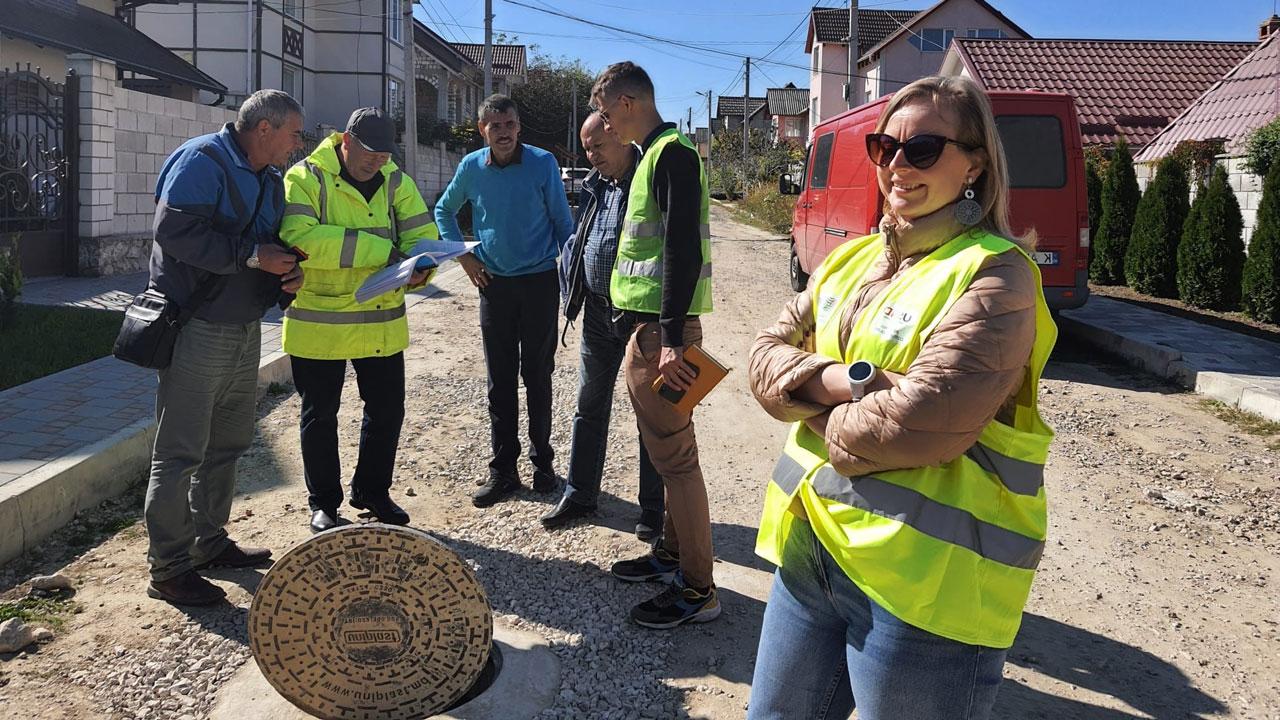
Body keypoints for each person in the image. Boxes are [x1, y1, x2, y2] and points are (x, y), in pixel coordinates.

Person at [745, 75, 1057, 719]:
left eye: (923, 150)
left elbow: (923, 424)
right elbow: (760, 357)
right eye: (885, 147)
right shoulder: (849, 260)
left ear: (974, 163)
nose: (896, 166)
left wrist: (810, 407)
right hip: (814, 548)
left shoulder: (997, 274)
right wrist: (851, 382)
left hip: (927, 586)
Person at [143, 89, 305, 606]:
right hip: (198, 328)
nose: (298, 145)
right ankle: (169, 567)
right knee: (181, 451)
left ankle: (209, 543)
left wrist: (285, 273)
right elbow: (174, 233)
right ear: (265, 130)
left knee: (228, 444)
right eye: (294, 134)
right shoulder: (201, 159)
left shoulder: (269, 177)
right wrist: (253, 258)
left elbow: (265, 244)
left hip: (242, 327)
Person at [589, 62, 719, 629]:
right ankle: (671, 555)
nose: (603, 125)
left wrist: (668, 339)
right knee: (665, 452)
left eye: (605, 112)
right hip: (648, 333)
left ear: (626, 102)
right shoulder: (656, 155)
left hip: (662, 336)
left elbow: (680, 250)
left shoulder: (670, 155)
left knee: (678, 459)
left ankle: (698, 589)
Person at [280, 107, 439, 532]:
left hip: (380, 321)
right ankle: (324, 504)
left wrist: (423, 265)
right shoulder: (305, 178)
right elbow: (301, 239)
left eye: (385, 155)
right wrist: (381, 251)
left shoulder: (395, 181)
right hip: (320, 322)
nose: (377, 162)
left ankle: (372, 491)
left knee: (387, 412)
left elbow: (421, 235)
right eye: (369, 153)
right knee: (320, 415)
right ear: (345, 141)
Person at [434, 94, 574, 507]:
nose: (503, 132)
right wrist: (463, 256)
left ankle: (543, 464)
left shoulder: (542, 163)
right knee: (499, 381)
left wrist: (570, 276)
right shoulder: (471, 167)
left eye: (509, 124)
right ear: (483, 130)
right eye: (494, 126)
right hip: (493, 284)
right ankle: (503, 470)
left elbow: (562, 221)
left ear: (518, 126)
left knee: (538, 375)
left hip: (539, 282)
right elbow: (444, 211)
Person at [540, 112, 665, 540]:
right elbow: (582, 238)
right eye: (587, 149)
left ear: (620, 137)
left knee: (649, 416)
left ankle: (652, 510)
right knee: (588, 408)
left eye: (597, 147)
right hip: (596, 312)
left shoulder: (649, 180)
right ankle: (579, 494)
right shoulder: (597, 185)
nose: (591, 157)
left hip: (639, 319)